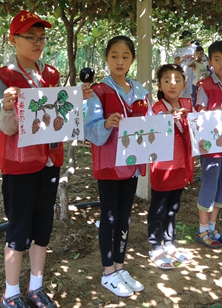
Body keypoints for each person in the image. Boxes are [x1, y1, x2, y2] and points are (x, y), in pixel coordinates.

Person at [0, 10, 90, 308]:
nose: (37, 43)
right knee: (19, 226)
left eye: (41, 38)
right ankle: (11, 292)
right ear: (13, 40)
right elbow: (7, 127)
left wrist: (77, 101)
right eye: (30, 37)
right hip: (20, 162)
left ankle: (36, 286)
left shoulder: (50, 74)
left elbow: (58, 116)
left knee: (43, 226)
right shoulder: (4, 77)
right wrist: (8, 107)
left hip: (49, 158)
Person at [85, 36, 149, 298]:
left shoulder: (140, 91)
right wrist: (106, 124)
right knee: (109, 218)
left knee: (124, 217)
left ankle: (120, 267)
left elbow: (149, 124)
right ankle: (108, 272)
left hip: (131, 164)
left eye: (125, 56)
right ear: (106, 58)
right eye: (114, 55)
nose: (119, 61)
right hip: (110, 164)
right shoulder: (98, 91)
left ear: (132, 59)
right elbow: (90, 128)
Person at [194, 40, 222, 245]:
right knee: (210, 184)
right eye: (217, 59)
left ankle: (213, 227)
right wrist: (217, 113)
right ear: (210, 61)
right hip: (212, 145)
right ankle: (202, 229)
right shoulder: (204, 86)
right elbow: (200, 114)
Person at [148, 64, 194, 269]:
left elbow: (199, 128)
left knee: (173, 207)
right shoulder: (156, 109)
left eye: (177, 80)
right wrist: (165, 120)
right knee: (158, 207)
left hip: (181, 164)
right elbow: (150, 132)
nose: (172, 84)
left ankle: (169, 242)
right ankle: (155, 245)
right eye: (166, 80)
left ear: (184, 84)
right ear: (159, 85)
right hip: (161, 167)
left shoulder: (188, 105)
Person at [174, 30, 197, 99]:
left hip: (193, 73)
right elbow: (176, 62)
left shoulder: (195, 48)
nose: (186, 40)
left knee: (193, 90)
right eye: (185, 38)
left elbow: (201, 58)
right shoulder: (179, 49)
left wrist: (193, 57)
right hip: (183, 72)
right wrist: (183, 58)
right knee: (183, 90)